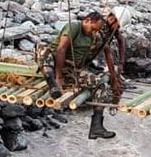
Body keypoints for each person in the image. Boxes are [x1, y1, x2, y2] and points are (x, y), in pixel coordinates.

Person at [38, 12, 123, 140]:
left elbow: (107, 52)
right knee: (43, 50)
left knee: (101, 84)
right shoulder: (74, 27)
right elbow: (61, 49)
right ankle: (52, 84)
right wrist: (59, 77)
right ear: (88, 21)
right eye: (94, 28)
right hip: (55, 65)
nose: (95, 32)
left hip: (72, 71)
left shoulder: (93, 36)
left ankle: (96, 127)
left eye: (97, 30)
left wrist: (114, 77)